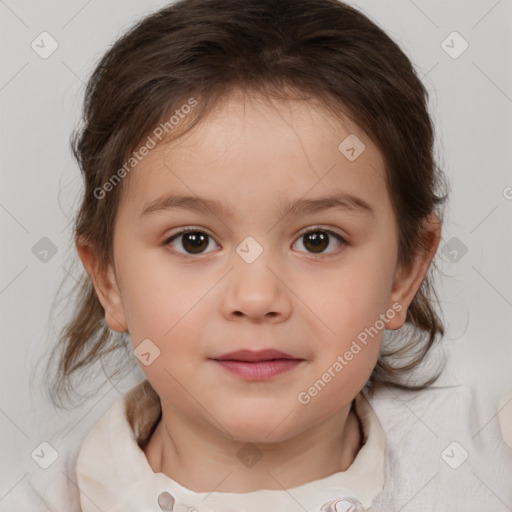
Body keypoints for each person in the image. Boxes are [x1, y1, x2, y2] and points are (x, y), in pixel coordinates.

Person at [16, 0, 512, 510]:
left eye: (318, 240)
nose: (256, 299)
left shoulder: (490, 465)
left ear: (405, 272)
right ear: (109, 281)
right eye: (193, 241)